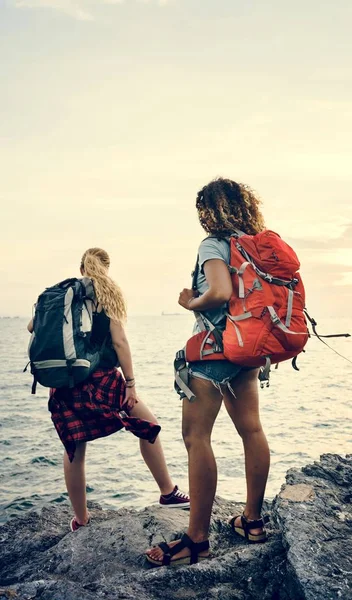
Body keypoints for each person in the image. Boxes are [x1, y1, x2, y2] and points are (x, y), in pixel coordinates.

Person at [146, 178, 270, 567]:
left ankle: (196, 541)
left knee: (196, 436)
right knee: (252, 430)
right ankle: (252, 521)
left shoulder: (213, 244)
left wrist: (189, 302)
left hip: (214, 352)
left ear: (208, 211)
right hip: (247, 350)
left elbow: (218, 292)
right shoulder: (256, 244)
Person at [27, 247, 189, 531]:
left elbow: (32, 326)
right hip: (102, 380)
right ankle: (167, 492)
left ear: (81, 269)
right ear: (106, 267)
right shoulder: (106, 293)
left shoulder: (61, 295)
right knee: (148, 425)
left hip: (66, 384)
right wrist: (130, 383)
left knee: (74, 450)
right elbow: (120, 342)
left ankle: (80, 519)